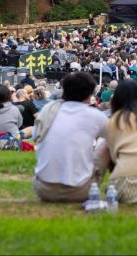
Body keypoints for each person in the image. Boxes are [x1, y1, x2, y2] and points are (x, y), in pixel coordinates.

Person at [33, 72, 109, 203]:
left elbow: (36, 137)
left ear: (64, 90)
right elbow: (116, 140)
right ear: (90, 94)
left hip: (43, 189)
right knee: (108, 145)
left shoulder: (48, 109)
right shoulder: (95, 115)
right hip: (81, 191)